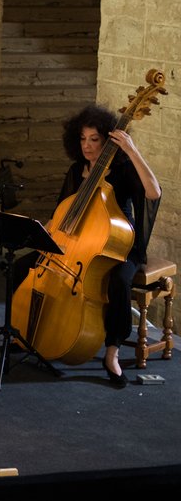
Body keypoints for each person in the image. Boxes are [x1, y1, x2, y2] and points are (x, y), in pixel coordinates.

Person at [54, 105, 161, 388]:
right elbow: (61, 211)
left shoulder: (124, 170)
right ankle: (27, 334)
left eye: (94, 139)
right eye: (82, 139)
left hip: (120, 245)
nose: (87, 146)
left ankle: (112, 353)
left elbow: (153, 193)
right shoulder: (77, 170)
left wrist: (132, 151)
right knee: (23, 266)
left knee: (118, 282)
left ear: (108, 141)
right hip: (80, 243)